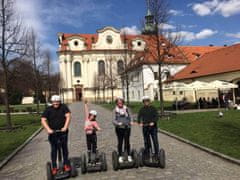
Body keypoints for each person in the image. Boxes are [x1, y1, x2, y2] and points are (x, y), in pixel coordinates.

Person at [41, 95, 71, 175]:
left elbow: (68, 116)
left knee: (64, 148)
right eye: (54, 102)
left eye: (57, 102)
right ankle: (54, 167)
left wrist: (65, 127)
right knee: (54, 150)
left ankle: (66, 164)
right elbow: (43, 120)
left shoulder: (64, 107)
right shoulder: (48, 110)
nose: (56, 103)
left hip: (63, 132)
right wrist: (48, 129)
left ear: (59, 101)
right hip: (53, 133)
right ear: (52, 102)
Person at [113, 97, 132, 163]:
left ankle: (128, 155)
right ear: (116, 103)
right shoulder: (115, 110)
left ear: (123, 103)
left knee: (127, 142)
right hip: (119, 129)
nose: (120, 104)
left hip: (127, 128)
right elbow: (113, 120)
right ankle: (120, 156)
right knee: (120, 142)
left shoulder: (126, 109)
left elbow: (130, 117)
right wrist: (117, 123)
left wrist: (131, 122)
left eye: (121, 102)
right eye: (118, 103)